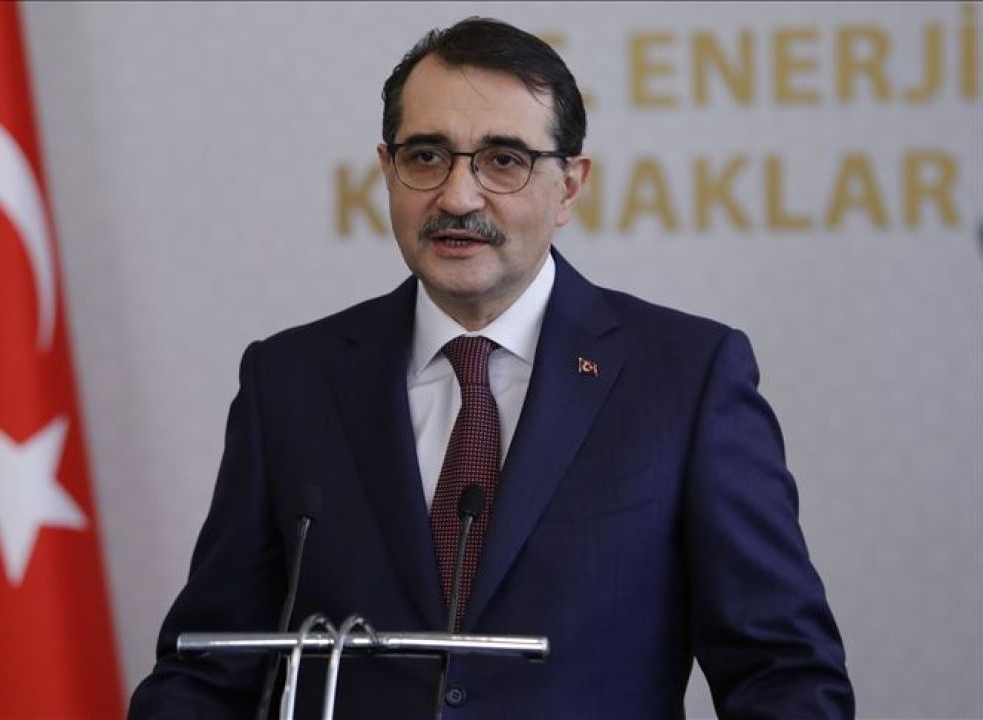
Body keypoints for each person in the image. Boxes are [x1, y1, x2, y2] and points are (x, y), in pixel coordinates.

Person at [129, 17, 854, 719]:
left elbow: (782, 672)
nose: (457, 196)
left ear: (570, 186)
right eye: (426, 156)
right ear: (387, 171)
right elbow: (210, 667)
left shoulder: (687, 379)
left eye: (503, 160)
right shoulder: (289, 380)